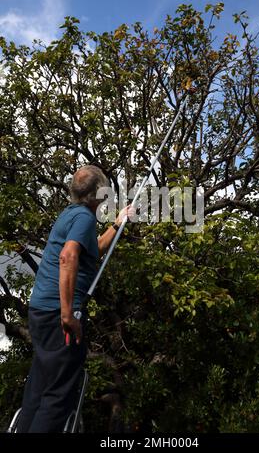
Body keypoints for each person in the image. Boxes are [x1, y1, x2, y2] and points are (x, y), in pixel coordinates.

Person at [16, 165, 135, 433]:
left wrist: (118, 223)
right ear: (97, 194)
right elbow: (68, 257)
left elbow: (91, 251)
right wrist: (68, 315)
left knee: (40, 385)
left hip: (41, 310)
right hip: (59, 314)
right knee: (58, 396)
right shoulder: (84, 219)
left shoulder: (71, 214)